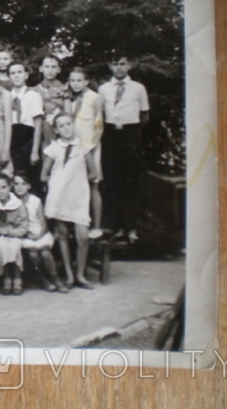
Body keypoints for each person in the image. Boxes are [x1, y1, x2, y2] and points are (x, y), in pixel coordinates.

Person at [41, 112, 98, 289]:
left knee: (82, 237)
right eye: (61, 126)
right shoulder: (53, 148)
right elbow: (44, 175)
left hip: (78, 197)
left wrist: (78, 182)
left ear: (74, 125)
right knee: (63, 235)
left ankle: (81, 274)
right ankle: (69, 275)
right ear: (56, 130)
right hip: (59, 197)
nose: (66, 128)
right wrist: (59, 182)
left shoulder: (83, 146)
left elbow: (94, 173)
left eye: (68, 124)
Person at [98, 54, 149, 243]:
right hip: (111, 135)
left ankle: (131, 228)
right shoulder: (103, 89)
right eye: (115, 64)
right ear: (110, 67)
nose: (119, 68)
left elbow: (145, 115)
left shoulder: (138, 88)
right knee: (113, 180)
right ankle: (116, 226)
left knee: (131, 181)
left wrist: (132, 132)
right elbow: (100, 114)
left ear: (129, 65)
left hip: (131, 134)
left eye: (122, 64)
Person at [13, 171, 67, 293]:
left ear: (29, 186)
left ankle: (56, 278)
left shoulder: (35, 201)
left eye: (23, 183)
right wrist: (26, 235)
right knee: (33, 255)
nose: (19, 186)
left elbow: (44, 224)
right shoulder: (13, 202)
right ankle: (42, 279)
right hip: (25, 235)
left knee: (45, 254)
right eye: (16, 184)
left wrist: (39, 235)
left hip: (40, 233)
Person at [67, 67, 104, 234]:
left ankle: (96, 226)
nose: (75, 84)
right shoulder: (68, 98)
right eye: (72, 80)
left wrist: (91, 146)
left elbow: (99, 125)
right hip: (73, 147)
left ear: (86, 81)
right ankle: (75, 226)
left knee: (93, 185)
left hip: (90, 147)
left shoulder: (94, 98)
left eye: (79, 80)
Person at [8, 61, 44, 193]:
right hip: (12, 138)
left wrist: (34, 150)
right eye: (13, 73)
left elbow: (38, 123)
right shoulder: (7, 96)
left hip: (28, 138)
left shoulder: (33, 95)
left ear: (26, 75)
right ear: (9, 77)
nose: (16, 76)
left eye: (19, 72)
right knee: (15, 177)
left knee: (30, 178)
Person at [0, 174, 28, 295]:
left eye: (4, 187)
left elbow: (23, 227)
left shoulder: (18, 204)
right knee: (2, 246)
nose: (1, 191)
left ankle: (17, 278)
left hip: (15, 234)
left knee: (15, 246)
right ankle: (6, 278)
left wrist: (8, 231)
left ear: (10, 187)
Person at [34, 55, 69, 149]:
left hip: (61, 132)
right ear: (41, 69)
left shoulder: (64, 89)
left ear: (59, 69)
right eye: (47, 66)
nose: (50, 70)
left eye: (53, 67)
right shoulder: (35, 90)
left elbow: (69, 112)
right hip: (42, 135)